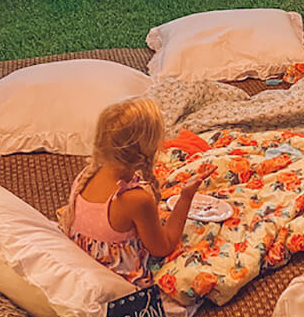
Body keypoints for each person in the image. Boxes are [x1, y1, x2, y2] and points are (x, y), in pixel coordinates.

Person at [59, 98, 202, 286]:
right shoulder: (135, 199)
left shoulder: (87, 176)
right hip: (117, 283)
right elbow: (163, 247)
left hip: (84, 268)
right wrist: (186, 197)